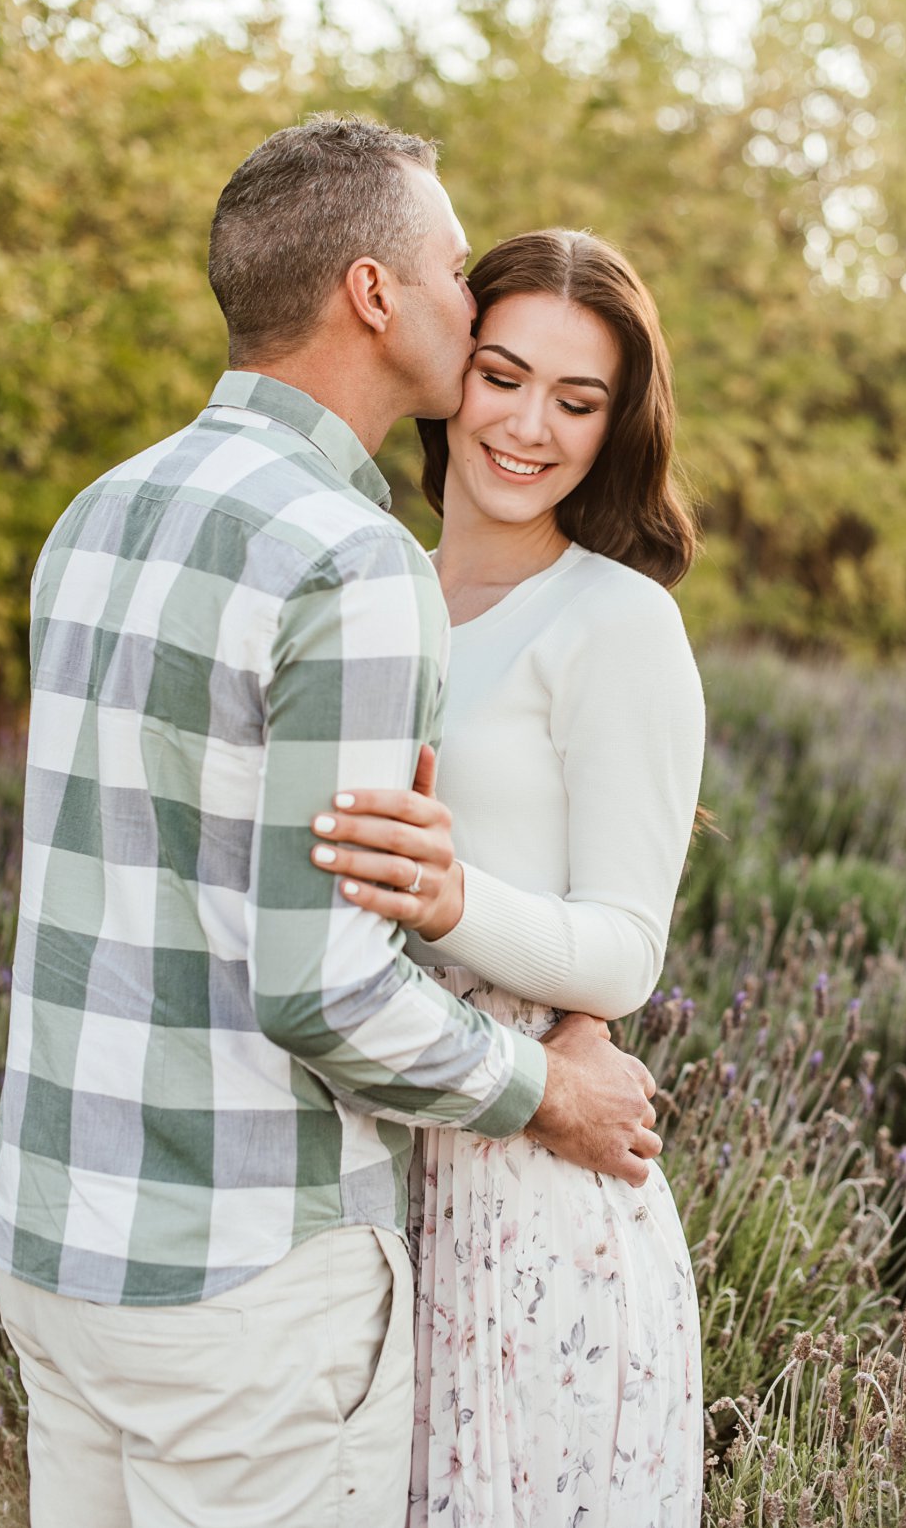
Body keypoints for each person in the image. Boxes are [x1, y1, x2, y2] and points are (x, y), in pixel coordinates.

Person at [0, 118, 665, 1528]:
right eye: (454, 268)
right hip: (242, 1281)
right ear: (372, 292)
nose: (468, 301)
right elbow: (321, 985)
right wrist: (554, 1089)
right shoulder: (350, 560)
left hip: (53, 1244)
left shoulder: (101, 513)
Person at [306, 229, 706, 1526]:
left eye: (577, 400)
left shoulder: (617, 619)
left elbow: (627, 951)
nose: (529, 424)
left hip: (533, 1194)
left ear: (612, 430)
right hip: (358, 1164)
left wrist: (451, 898)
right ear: (450, 375)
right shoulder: (379, 592)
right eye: (503, 374)